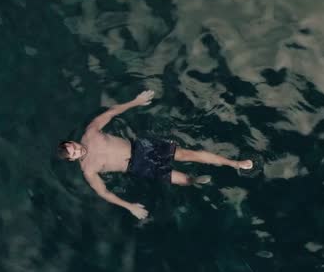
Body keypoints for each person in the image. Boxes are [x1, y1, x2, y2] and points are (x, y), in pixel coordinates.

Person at [57, 90, 254, 220]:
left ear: (73, 141)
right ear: (73, 159)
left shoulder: (90, 133)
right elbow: (103, 193)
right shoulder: (88, 170)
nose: (78, 149)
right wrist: (130, 207)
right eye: (74, 153)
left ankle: (234, 163)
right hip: (139, 167)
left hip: (142, 147)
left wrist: (136, 101)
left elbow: (111, 113)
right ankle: (195, 180)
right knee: (183, 180)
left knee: (187, 155)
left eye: (74, 146)